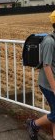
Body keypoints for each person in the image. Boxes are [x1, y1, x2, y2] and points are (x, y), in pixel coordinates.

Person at [26, 11, 55, 140]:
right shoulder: (49, 42)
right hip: (48, 84)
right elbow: (47, 66)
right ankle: (33, 124)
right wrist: (54, 88)